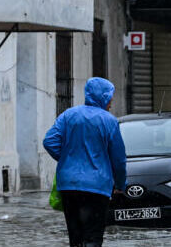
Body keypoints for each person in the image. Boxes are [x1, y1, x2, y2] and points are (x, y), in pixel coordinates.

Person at [43, 77, 126, 247]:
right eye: (110, 97)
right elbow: (118, 160)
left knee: (75, 237)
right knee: (93, 237)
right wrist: (120, 184)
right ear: (104, 97)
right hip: (97, 187)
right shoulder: (110, 121)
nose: (111, 102)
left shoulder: (68, 115)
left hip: (69, 185)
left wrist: (67, 159)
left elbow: (49, 141)